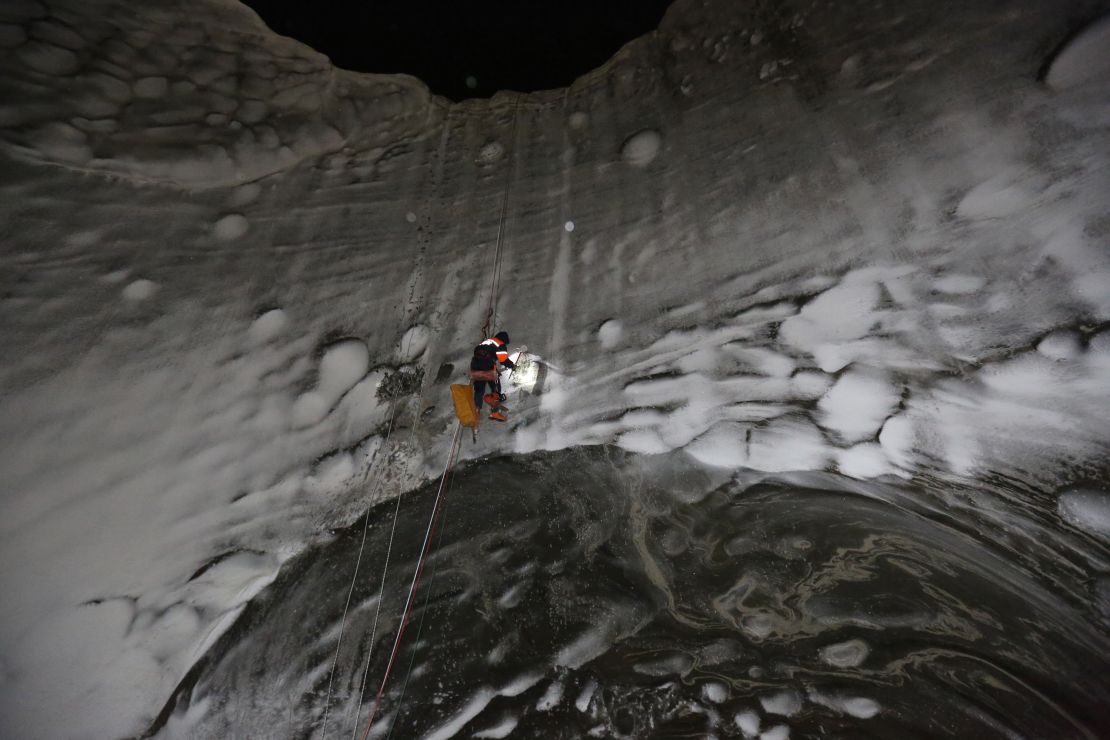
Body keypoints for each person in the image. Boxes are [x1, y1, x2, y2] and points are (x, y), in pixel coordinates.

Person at [470, 331, 516, 422]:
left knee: (479, 389)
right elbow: (503, 360)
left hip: (475, 364)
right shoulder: (500, 344)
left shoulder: (488, 341)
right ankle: (495, 412)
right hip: (486, 364)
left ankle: (477, 411)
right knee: (495, 387)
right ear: (504, 339)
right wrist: (512, 366)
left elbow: (477, 351)